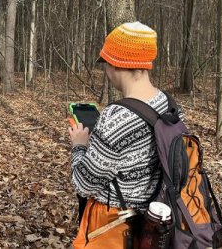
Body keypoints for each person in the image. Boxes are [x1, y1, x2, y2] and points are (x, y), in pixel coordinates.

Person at [68, 21, 180, 248]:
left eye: (106, 63)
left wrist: (80, 146)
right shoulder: (168, 104)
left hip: (116, 228)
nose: (106, 70)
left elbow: (83, 184)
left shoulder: (116, 117)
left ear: (115, 64)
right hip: (153, 224)